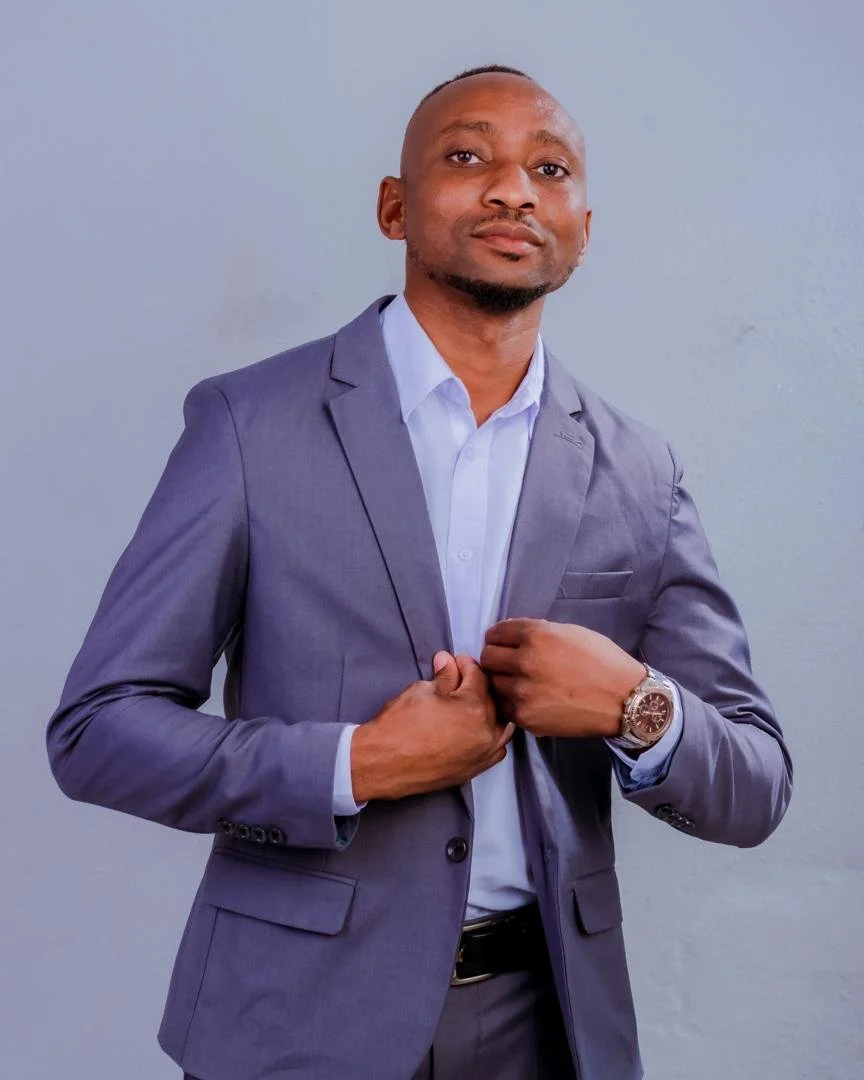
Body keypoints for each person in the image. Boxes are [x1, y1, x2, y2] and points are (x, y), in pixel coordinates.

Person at [46, 64, 792, 1080]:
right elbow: (97, 731)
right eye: (468, 155)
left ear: (581, 229)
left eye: (549, 169)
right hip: (294, 1022)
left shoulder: (640, 473)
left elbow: (756, 786)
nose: (513, 188)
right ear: (395, 207)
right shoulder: (249, 426)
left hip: (549, 1027)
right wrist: (355, 764)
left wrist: (636, 706)